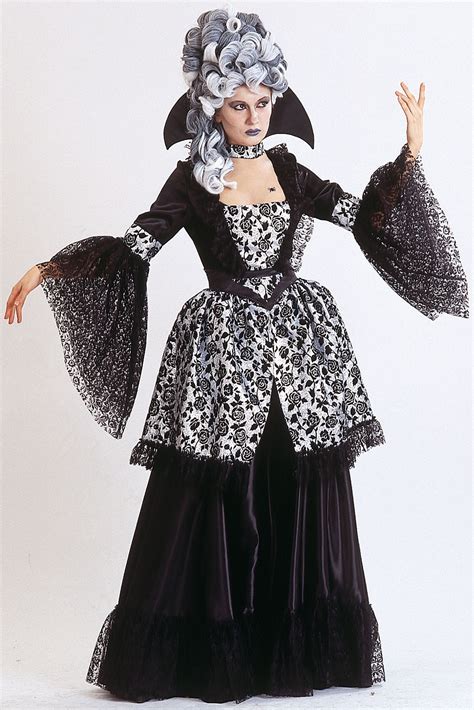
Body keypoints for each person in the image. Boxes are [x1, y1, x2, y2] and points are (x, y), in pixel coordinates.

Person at [4, 6, 469, 705]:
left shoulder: (291, 172)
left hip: (300, 352)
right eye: (238, 104)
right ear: (211, 106)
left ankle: (292, 642)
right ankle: (211, 642)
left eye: (264, 102)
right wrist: (52, 268)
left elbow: (364, 219)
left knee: (299, 478)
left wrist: (409, 156)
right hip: (223, 355)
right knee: (221, 486)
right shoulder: (191, 181)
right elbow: (134, 249)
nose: (254, 116)